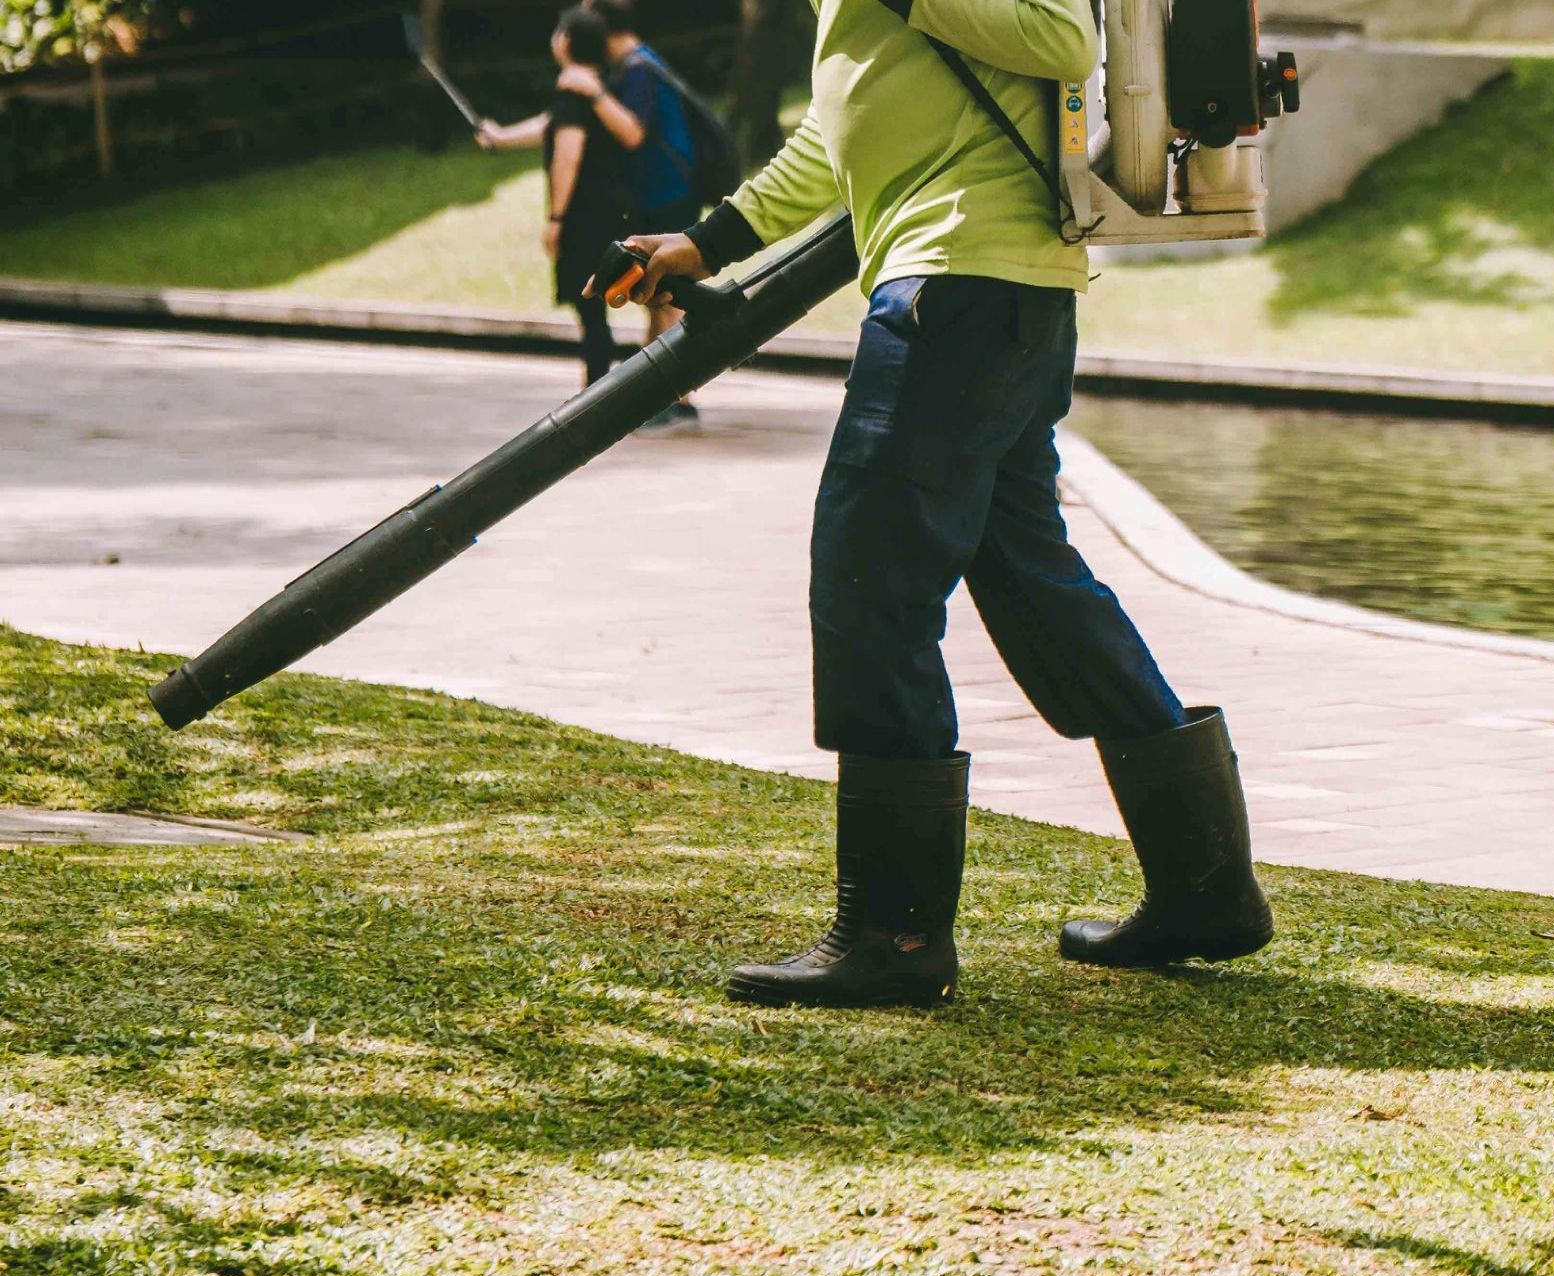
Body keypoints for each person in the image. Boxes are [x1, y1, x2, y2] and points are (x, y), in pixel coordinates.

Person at [604, 0, 1275, 1008]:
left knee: (869, 578)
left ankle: (895, 935)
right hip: (984, 294)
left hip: (957, 284)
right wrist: (708, 241)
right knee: (1035, 586)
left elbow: (1061, 41)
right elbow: (838, 129)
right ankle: (1205, 888)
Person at [475, 10, 627, 387]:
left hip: (585, 215)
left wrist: (556, 218)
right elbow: (550, 125)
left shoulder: (573, 91)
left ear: (565, 42)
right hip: (610, 209)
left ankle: (595, 394)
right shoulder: (596, 85)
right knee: (593, 309)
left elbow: (567, 154)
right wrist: (500, 137)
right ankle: (597, 390)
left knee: (590, 309)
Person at [571, 0, 701, 434]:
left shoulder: (639, 69)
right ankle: (666, 396)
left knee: (668, 301)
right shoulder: (636, 65)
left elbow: (632, 131)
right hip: (660, 196)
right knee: (659, 300)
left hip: (670, 197)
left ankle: (672, 397)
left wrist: (592, 92)